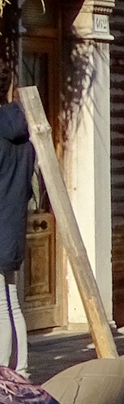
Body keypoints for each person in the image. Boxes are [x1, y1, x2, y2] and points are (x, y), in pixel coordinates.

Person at [0, 99, 32, 372]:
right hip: (13, 230)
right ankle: (21, 371)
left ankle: (4, 376)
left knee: (0, 308)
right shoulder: (26, 142)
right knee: (12, 304)